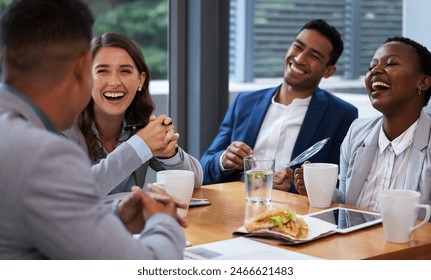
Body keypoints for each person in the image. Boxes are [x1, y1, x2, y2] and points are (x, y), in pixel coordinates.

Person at [0, 0, 186, 259]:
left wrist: (116, 214)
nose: (114, 82)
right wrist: (163, 222)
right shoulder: (43, 154)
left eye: (125, 71)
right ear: (82, 68)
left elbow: (44, 216)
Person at [200, 19, 358, 193]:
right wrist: (224, 161)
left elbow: (340, 186)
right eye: (298, 47)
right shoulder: (245, 102)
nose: (299, 59)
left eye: (314, 56)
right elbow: (204, 166)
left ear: (328, 71)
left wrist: (293, 186)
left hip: (295, 215)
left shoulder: (341, 115)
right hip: (235, 208)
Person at [295, 37, 431, 218]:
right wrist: (320, 190)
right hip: (354, 245)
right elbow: (347, 204)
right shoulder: (357, 132)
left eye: (390, 63)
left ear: (422, 83)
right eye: (371, 67)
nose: (375, 70)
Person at [63, 32, 203, 196]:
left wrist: (169, 154)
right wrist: (140, 145)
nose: (114, 82)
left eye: (125, 71)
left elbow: (197, 179)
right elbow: (76, 193)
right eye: (102, 71)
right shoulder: (62, 127)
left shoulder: (138, 124)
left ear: (140, 80)